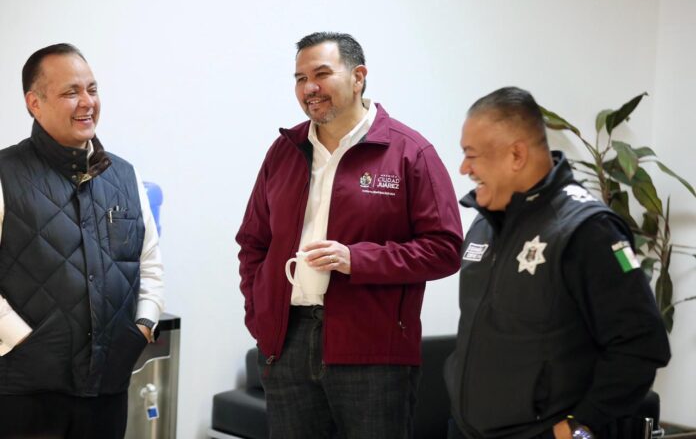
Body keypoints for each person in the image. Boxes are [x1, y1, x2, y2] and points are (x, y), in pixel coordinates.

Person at [236, 31, 463, 439]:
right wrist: (259, 314)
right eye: (300, 78)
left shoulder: (410, 152)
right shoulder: (284, 151)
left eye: (321, 74)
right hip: (286, 344)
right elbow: (253, 242)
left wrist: (357, 259)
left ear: (358, 77)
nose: (309, 88)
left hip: (374, 350)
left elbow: (444, 249)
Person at [444, 86, 671, 439]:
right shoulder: (485, 222)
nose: (463, 168)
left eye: (471, 155)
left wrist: (580, 426)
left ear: (516, 154)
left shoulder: (588, 230)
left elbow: (641, 345)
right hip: (467, 430)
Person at [0, 43, 164, 438]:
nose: (87, 102)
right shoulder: (6, 173)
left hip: (107, 390)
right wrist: (21, 340)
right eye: (71, 92)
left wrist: (143, 325)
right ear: (34, 103)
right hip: (25, 394)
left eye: (92, 89)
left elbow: (150, 265)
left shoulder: (125, 176)